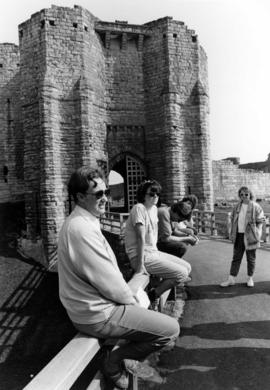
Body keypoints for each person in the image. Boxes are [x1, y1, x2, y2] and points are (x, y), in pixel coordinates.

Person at [57, 167, 180, 389]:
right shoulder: (80, 229)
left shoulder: (82, 221)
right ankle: (113, 363)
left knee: (149, 319)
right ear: (80, 197)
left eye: (106, 192)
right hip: (98, 313)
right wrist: (135, 303)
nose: (105, 198)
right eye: (98, 194)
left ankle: (129, 362)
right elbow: (111, 285)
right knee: (169, 330)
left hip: (92, 307)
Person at [125, 180, 192, 307]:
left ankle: (154, 292)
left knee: (187, 268)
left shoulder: (154, 209)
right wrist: (139, 266)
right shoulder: (139, 208)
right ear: (143, 195)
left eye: (157, 194)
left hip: (153, 252)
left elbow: (154, 238)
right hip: (141, 256)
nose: (155, 196)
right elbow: (140, 238)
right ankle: (154, 294)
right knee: (181, 273)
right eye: (151, 194)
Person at [220, 186, 265, 288]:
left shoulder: (256, 206)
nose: (244, 196)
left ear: (250, 195)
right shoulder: (237, 206)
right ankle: (231, 279)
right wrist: (231, 232)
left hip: (250, 236)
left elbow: (261, 220)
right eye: (241, 194)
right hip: (239, 235)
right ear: (239, 195)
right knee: (236, 258)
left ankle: (250, 278)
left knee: (251, 258)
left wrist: (258, 233)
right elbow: (231, 219)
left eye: (246, 194)